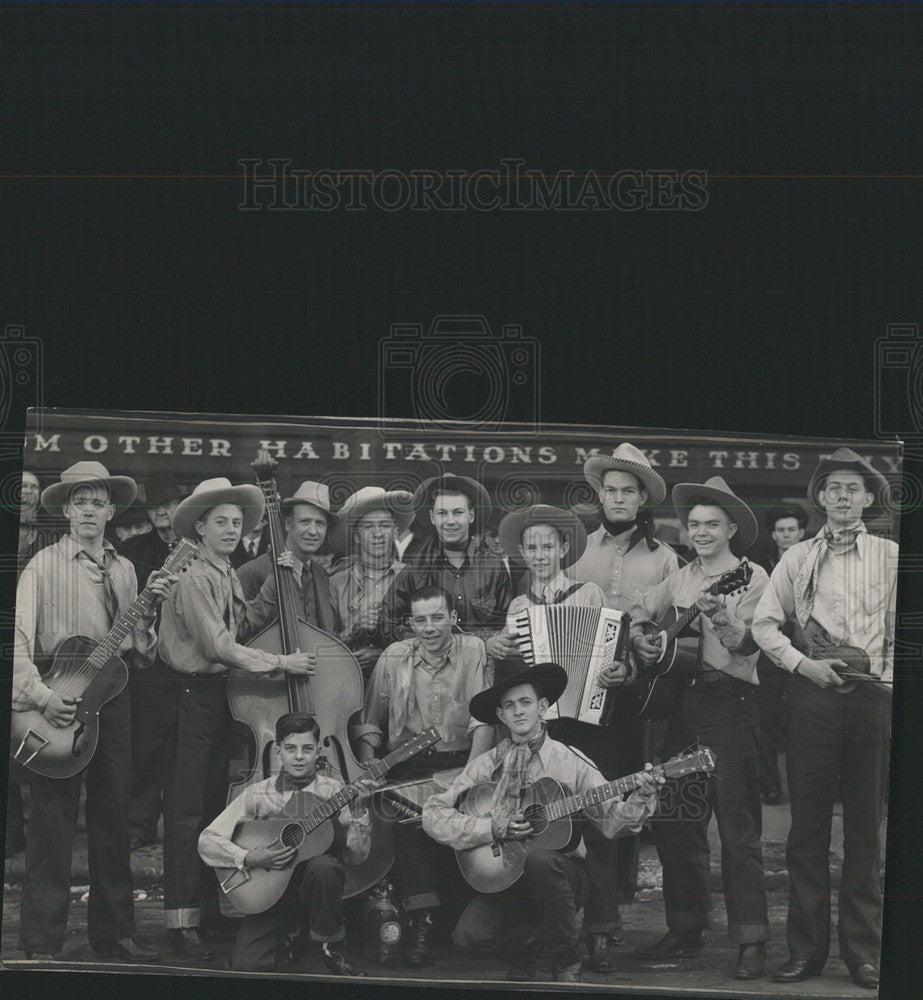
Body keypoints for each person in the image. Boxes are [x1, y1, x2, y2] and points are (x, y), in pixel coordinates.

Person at [12, 461, 176, 962]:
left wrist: (149, 613)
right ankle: (40, 943)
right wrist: (42, 697)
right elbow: (16, 639)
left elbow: (141, 651)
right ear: (66, 510)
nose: (88, 509)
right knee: (52, 824)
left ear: (111, 511)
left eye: (97, 501)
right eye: (79, 501)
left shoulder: (125, 570)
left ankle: (114, 934)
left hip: (114, 698)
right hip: (59, 696)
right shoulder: (42, 565)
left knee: (114, 816)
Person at [422, 656, 662, 983]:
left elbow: (613, 823)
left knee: (538, 859)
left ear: (543, 707)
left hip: (561, 879)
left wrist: (641, 795)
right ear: (501, 715)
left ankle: (565, 960)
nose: (519, 711)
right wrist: (490, 827)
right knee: (467, 938)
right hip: (507, 881)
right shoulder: (485, 766)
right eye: (510, 705)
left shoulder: (569, 761)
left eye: (526, 702)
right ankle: (529, 948)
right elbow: (433, 813)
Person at [752, 450, 896, 992]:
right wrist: (806, 665)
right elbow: (766, 626)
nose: (841, 496)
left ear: (866, 497)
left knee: (865, 831)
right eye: (832, 487)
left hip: (872, 699)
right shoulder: (797, 558)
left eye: (851, 488)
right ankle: (806, 953)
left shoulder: (890, 555)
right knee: (806, 832)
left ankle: (864, 955)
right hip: (812, 697)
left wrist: (876, 673)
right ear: (820, 497)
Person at [158, 477, 316, 959]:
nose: (230, 529)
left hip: (215, 696)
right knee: (186, 811)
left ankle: (206, 915)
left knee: (210, 806)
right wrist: (281, 663)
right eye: (220, 522)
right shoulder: (192, 574)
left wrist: (277, 581)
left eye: (235, 522)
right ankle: (179, 923)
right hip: (187, 695)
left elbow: (243, 627)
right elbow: (219, 646)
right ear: (199, 527)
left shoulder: (224, 571)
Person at [631, 476, 770, 981]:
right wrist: (643, 637)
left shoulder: (751, 578)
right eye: (694, 524)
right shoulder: (680, 576)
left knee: (737, 828)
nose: (702, 531)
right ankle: (686, 928)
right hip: (681, 706)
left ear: (732, 527)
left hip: (729, 704)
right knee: (675, 819)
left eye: (713, 523)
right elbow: (636, 610)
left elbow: (751, 647)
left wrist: (723, 621)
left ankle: (751, 938)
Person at [498, 503, 628, 972]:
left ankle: (601, 931)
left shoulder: (588, 593)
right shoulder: (517, 606)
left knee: (598, 816)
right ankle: (554, 928)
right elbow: (514, 674)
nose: (539, 554)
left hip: (586, 719)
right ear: (522, 552)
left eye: (547, 546)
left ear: (563, 549)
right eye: (530, 547)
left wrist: (615, 670)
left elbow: (609, 649)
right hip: (541, 729)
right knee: (547, 820)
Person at [569, 443, 679, 957]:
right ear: (600, 495)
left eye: (627, 491)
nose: (616, 498)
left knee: (618, 802)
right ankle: (568, 916)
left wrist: (637, 660)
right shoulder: (575, 548)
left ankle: (607, 920)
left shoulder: (664, 558)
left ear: (641, 499)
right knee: (571, 803)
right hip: (572, 702)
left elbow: (665, 638)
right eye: (609, 490)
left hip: (630, 701)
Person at [357, 585, 494, 965]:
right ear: (410, 623)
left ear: (454, 618)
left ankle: (453, 921)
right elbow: (370, 722)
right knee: (406, 825)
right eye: (420, 620)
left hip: (461, 761)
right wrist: (371, 762)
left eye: (437, 618)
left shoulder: (474, 652)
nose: (429, 628)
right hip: (408, 766)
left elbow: (483, 721)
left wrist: (471, 775)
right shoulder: (393, 657)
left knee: (462, 819)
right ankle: (421, 920)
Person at [198, 712, 377, 974]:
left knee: (325, 866)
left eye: (307, 749)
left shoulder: (334, 791)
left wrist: (361, 813)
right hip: (272, 892)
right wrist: (248, 857)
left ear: (317, 751)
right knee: (247, 964)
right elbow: (207, 840)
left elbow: (355, 858)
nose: (299, 756)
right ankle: (295, 936)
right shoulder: (259, 794)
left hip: (317, 891)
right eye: (291, 748)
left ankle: (331, 946)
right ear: (278, 751)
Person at [378, 475, 515, 660]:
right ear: (432, 517)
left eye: (458, 512)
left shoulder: (493, 567)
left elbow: (508, 626)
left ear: (471, 515)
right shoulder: (415, 570)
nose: (450, 521)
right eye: (442, 513)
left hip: (483, 671)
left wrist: (492, 642)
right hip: (430, 671)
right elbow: (387, 626)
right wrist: (429, 643)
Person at [118, 473, 184, 849]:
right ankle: (140, 824)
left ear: (181, 509)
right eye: (155, 508)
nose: (162, 513)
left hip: (191, 661)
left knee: (182, 747)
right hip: (148, 663)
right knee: (143, 746)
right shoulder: (132, 551)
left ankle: (181, 828)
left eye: (168, 506)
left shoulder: (200, 544)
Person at [327, 486, 414, 677]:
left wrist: (385, 655)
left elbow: (425, 638)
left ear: (395, 532)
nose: (377, 534)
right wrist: (353, 632)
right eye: (368, 527)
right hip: (345, 680)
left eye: (384, 525)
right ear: (357, 536)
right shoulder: (336, 582)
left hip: (399, 680)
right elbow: (322, 640)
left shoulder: (412, 579)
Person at [755, 504, 810, 805]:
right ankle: (770, 785)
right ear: (773, 535)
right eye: (781, 530)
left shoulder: (816, 561)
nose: (786, 535)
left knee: (804, 723)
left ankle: (805, 788)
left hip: (808, 652)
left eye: (792, 529)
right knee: (768, 722)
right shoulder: (762, 567)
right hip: (771, 653)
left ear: (802, 533)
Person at [236, 480, 341, 636]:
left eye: (320, 524)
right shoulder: (250, 572)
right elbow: (237, 632)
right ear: (287, 524)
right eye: (305, 522)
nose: (313, 531)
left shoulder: (322, 574)